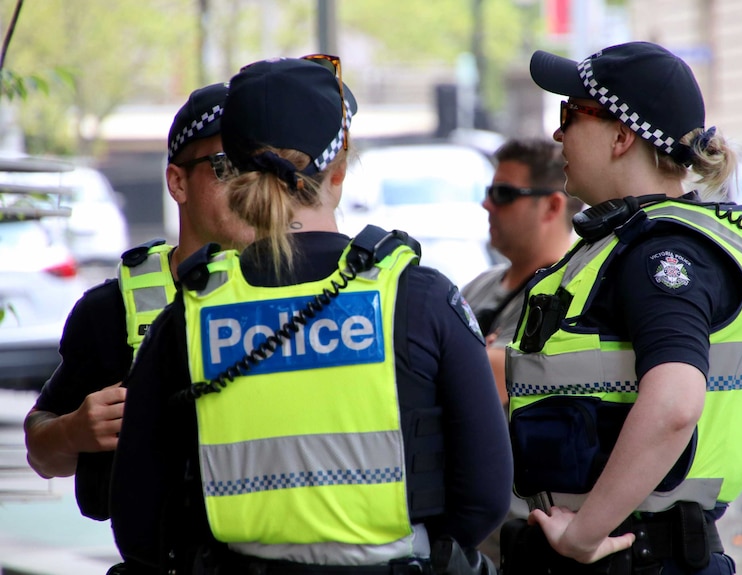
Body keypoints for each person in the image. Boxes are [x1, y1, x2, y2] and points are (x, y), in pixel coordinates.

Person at [110, 54, 513, 575]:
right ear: (339, 167)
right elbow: (484, 497)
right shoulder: (418, 298)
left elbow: (138, 524)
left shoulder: (189, 313)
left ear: (230, 173)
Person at [500, 41, 742, 575]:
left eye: (571, 114)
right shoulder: (627, 240)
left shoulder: (660, 254)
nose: (558, 134)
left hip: (632, 555)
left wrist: (585, 534)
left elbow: (674, 403)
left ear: (622, 136)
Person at [22, 82, 255, 522]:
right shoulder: (109, 311)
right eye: (227, 166)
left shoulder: (310, 295)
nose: (247, 185)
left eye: (258, 166)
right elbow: (40, 451)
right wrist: (73, 431)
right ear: (178, 182)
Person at [462, 137, 582, 410]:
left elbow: (483, 381)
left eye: (503, 194)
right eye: (489, 191)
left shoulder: (567, 293)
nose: (487, 205)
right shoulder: (481, 284)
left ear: (552, 206)